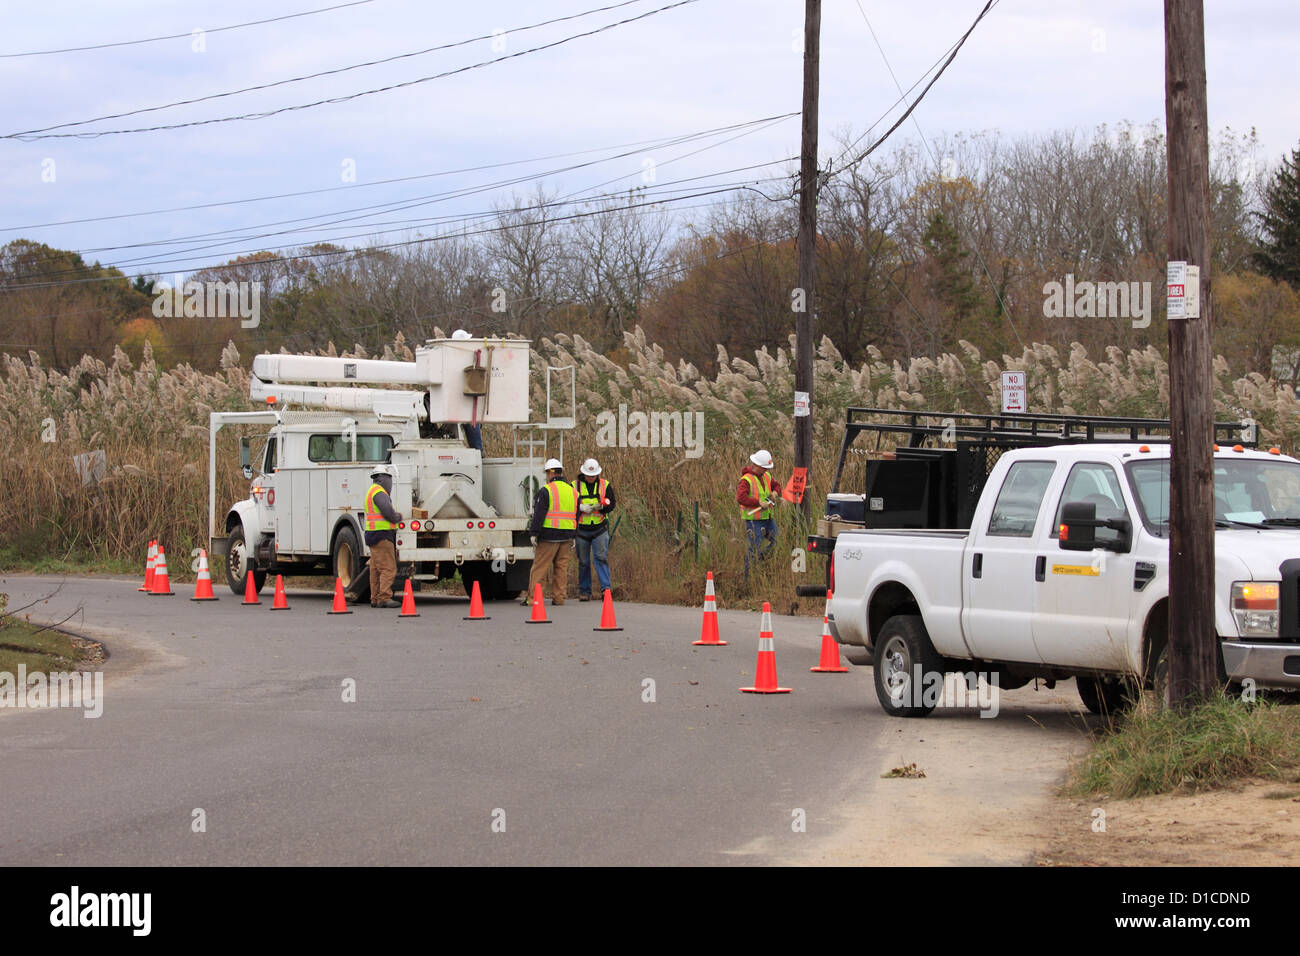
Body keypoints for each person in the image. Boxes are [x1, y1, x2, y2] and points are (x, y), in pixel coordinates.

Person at [525, 458, 577, 606]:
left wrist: (534, 533)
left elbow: (539, 514)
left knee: (540, 568)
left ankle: (534, 598)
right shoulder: (573, 492)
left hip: (549, 536)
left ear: (551, 473)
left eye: (547, 473)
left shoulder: (547, 490)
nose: (546, 476)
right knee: (561, 568)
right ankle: (559, 598)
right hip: (567, 536)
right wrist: (574, 535)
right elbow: (576, 515)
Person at [572, 457, 616, 602]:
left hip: (600, 528)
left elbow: (611, 503)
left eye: (593, 475)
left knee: (601, 558)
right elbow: (569, 504)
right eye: (589, 475)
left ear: (598, 474)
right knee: (583, 562)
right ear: (583, 473)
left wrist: (603, 507)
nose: (591, 478)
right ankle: (585, 591)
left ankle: (606, 590)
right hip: (581, 530)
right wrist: (580, 507)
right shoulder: (574, 486)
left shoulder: (605, 485)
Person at [738, 449, 782, 578]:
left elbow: (777, 485)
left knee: (777, 542)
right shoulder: (746, 480)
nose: (766, 470)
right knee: (753, 550)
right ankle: (748, 580)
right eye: (764, 468)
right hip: (753, 521)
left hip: (767, 518)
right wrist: (758, 502)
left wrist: (775, 493)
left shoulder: (767, 476)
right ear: (757, 465)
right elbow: (741, 498)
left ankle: (760, 560)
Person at [365, 464, 404, 608]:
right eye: (389, 478)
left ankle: (375, 598)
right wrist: (397, 517)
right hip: (382, 535)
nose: (390, 482)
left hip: (373, 535)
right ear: (382, 478)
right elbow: (387, 512)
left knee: (375, 569)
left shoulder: (372, 490)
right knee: (388, 568)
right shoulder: (380, 493)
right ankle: (385, 598)